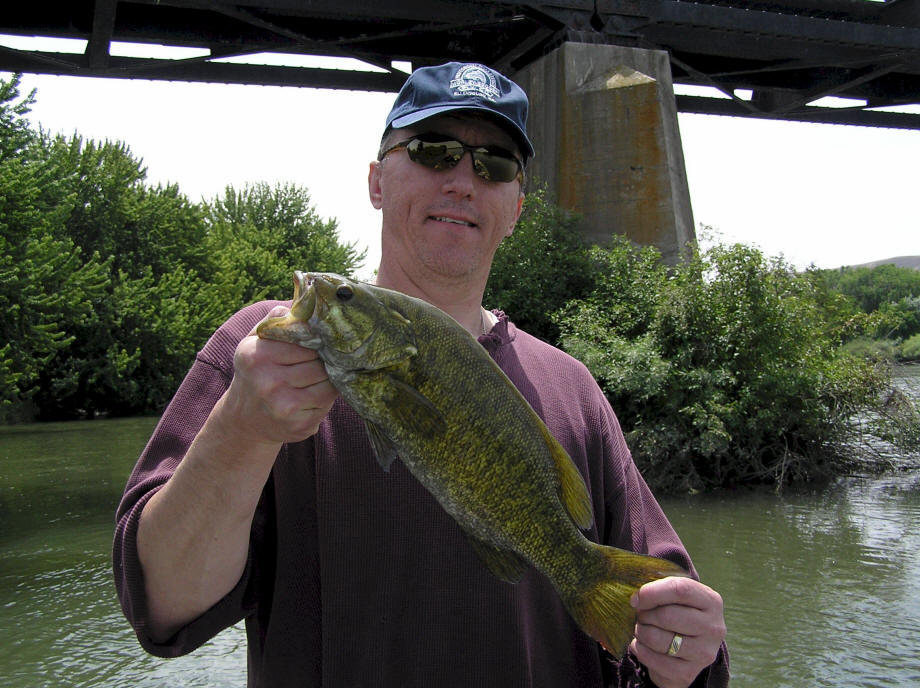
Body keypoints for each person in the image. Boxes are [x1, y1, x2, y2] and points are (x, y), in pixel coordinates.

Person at [114, 62, 729, 688]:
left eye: (493, 164)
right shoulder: (260, 357)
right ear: (378, 181)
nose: (463, 180)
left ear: (514, 207)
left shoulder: (572, 387)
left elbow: (666, 630)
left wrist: (684, 656)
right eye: (434, 152)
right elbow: (161, 608)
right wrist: (241, 432)